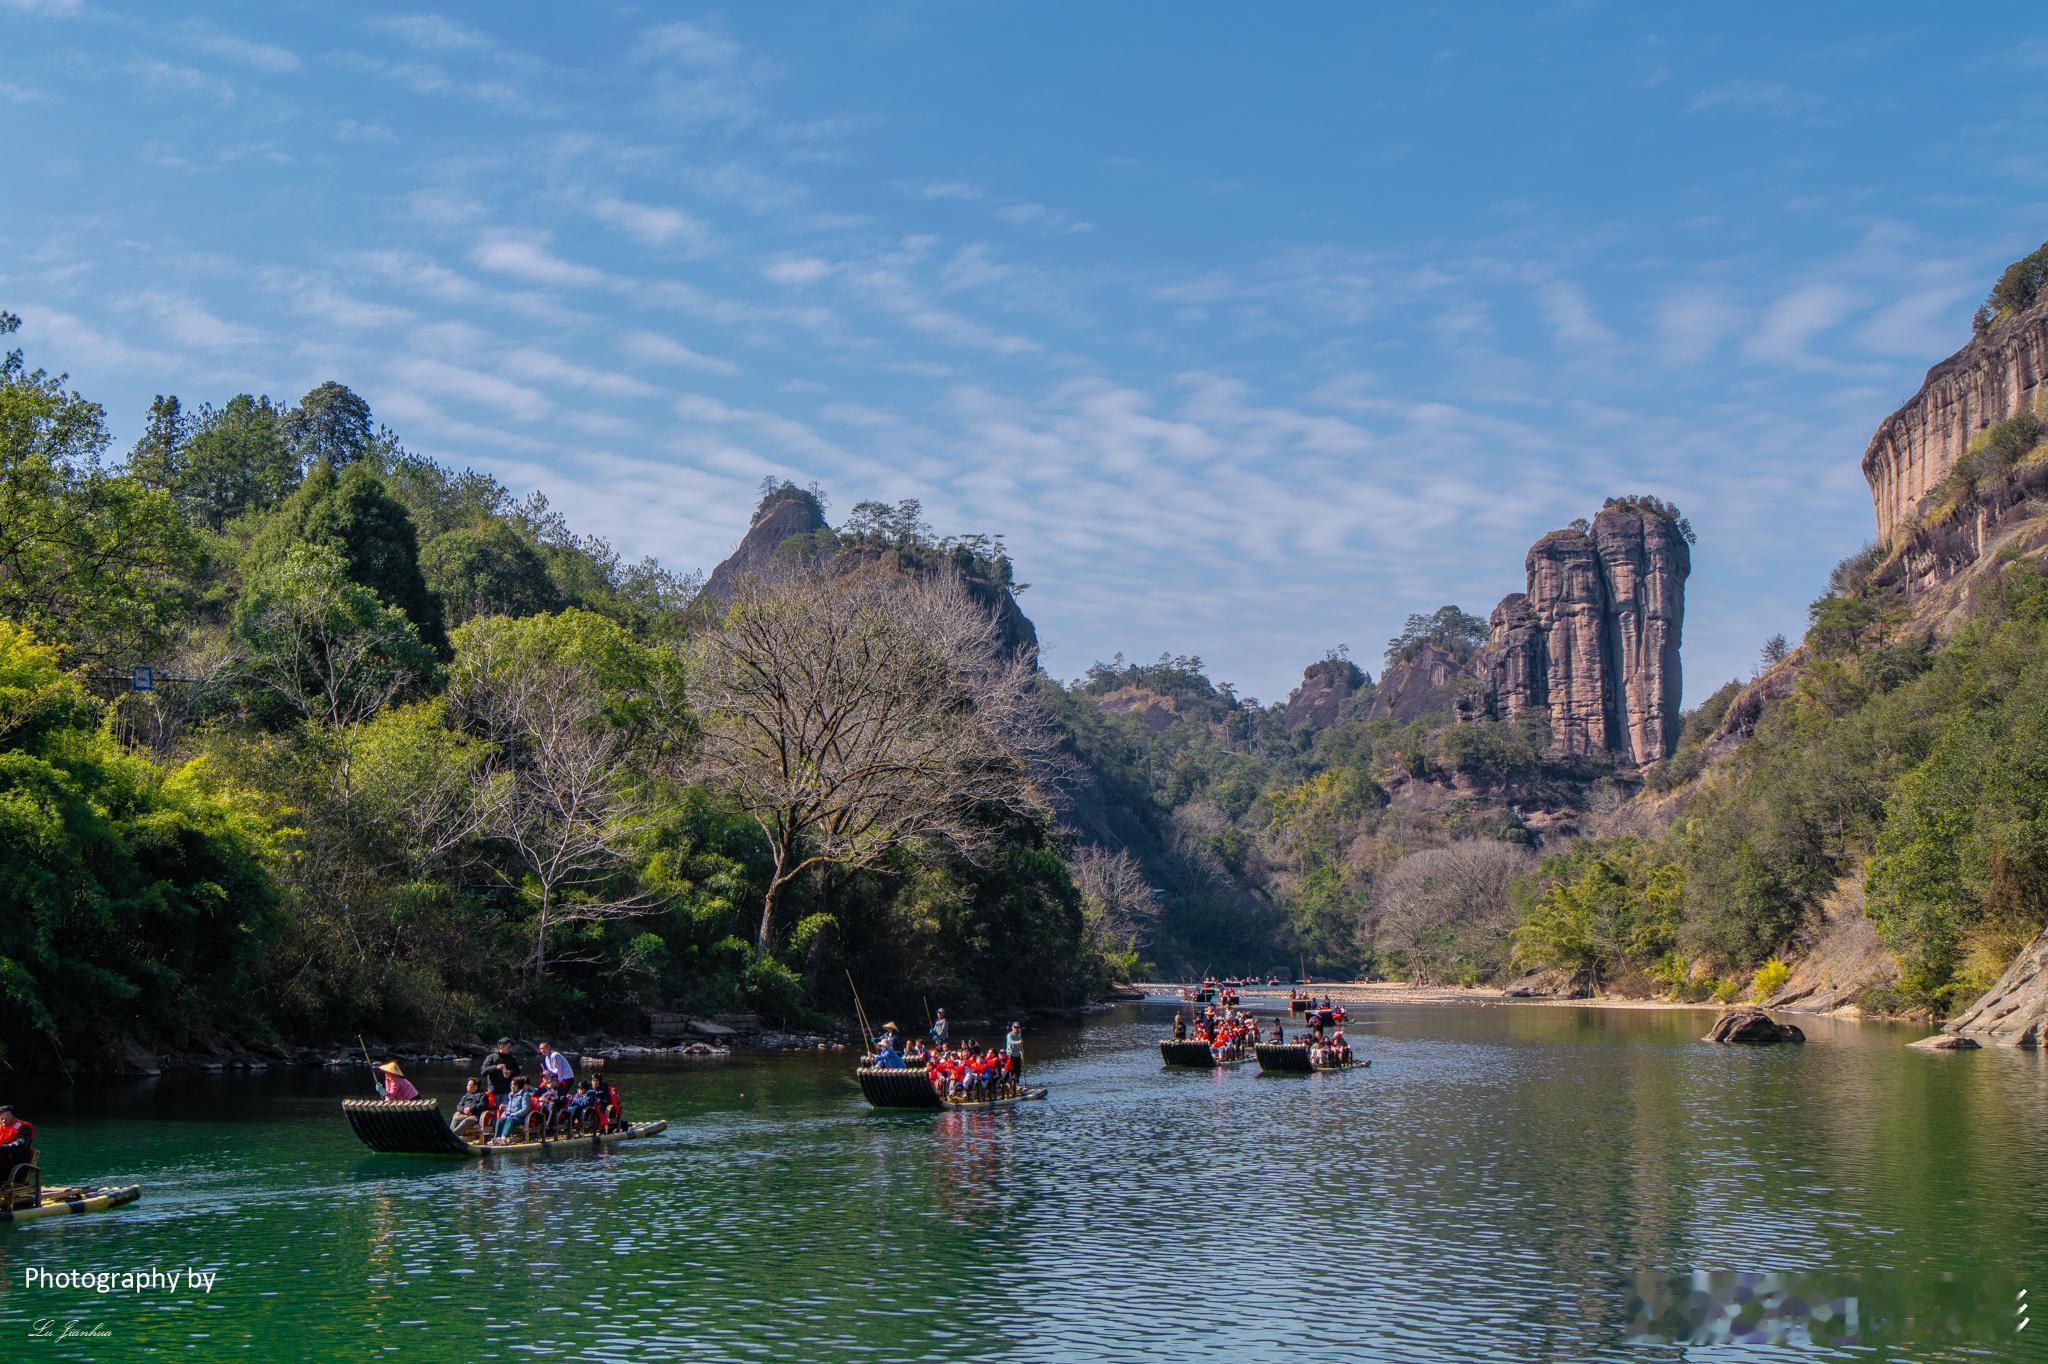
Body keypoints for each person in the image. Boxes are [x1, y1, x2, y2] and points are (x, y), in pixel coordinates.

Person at [493, 1078, 532, 1143]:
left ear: (517, 1086)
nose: (511, 1086)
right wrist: (505, 1111)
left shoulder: (525, 1095)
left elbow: (525, 1109)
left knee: (509, 1119)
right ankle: (496, 1138)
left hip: (520, 1118)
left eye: (512, 1085)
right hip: (510, 1116)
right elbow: (510, 1107)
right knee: (500, 1119)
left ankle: (503, 1137)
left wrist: (512, 1114)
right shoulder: (511, 1095)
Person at [0, 1105, 33, 1180]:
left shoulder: (24, 1128)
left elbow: (20, 1145)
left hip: (17, 1165)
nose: (4, 1120)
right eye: (1, 1118)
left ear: (14, 1116)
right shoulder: (1, 1127)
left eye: (7, 1117)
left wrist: (1, 1148)